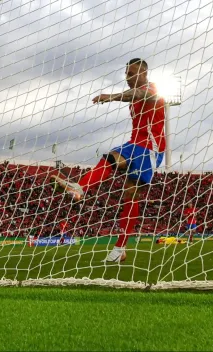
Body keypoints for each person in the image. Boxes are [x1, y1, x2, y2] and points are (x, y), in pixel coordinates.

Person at [51, 58, 166, 262]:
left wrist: (112, 97)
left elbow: (140, 93)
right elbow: (134, 96)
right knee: (127, 191)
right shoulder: (134, 99)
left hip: (150, 146)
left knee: (127, 186)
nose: (127, 77)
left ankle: (81, 188)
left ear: (144, 74)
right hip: (136, 143)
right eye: (126, 73)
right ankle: (119, 248)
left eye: (131, 73)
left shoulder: (152, 88)